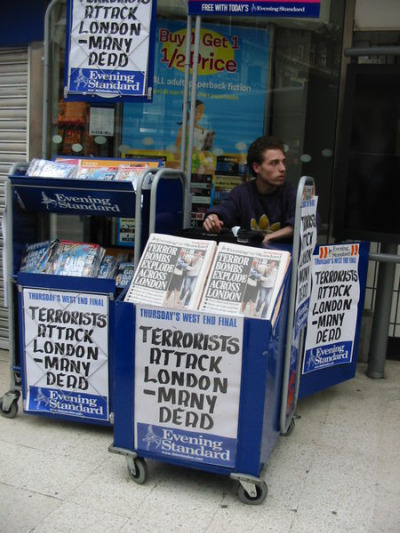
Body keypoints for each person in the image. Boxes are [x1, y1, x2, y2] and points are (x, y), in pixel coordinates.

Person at [203, 135, 296, 245]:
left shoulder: (291, 192)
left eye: (283, 162)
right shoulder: (242, 193)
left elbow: (304, 223)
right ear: (256, 167)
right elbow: (223, 210)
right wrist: (213, 217)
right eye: (274, 163)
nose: (282, 168)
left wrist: (268, 238)